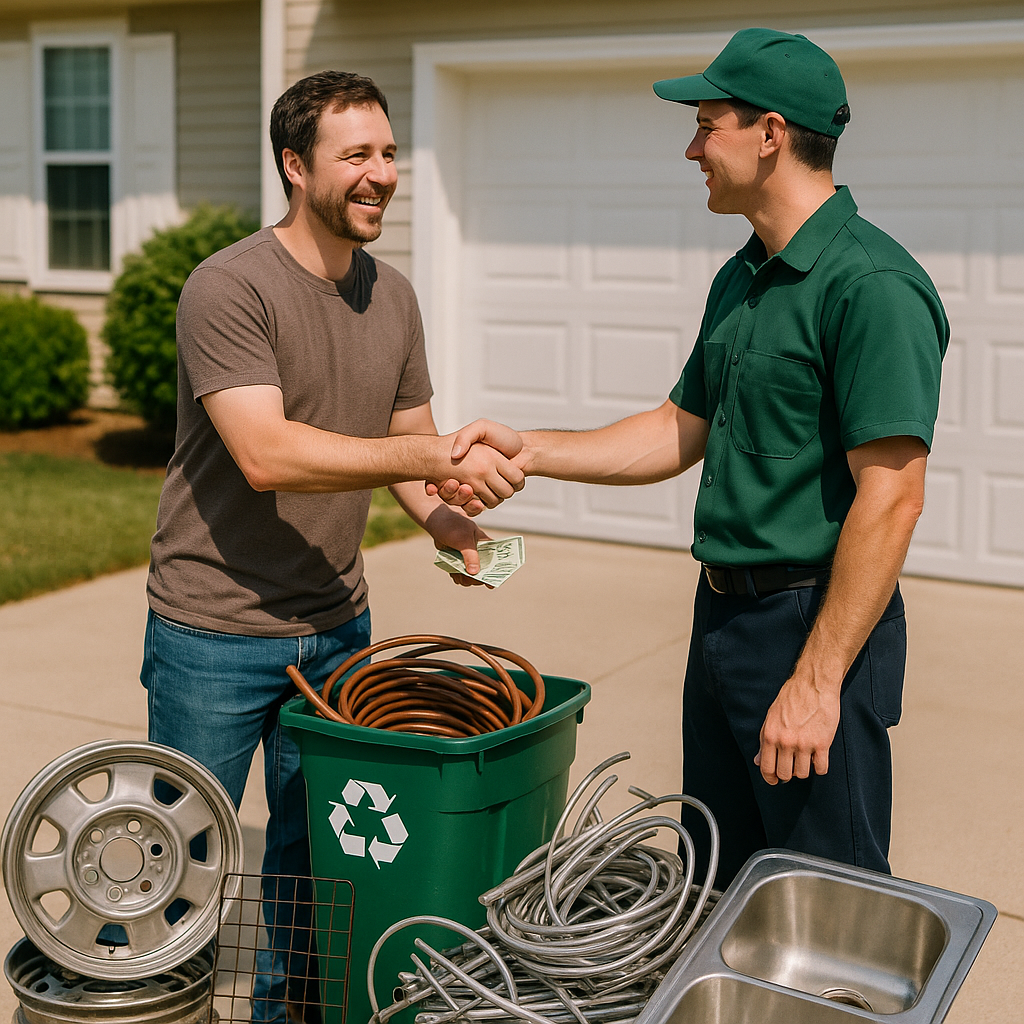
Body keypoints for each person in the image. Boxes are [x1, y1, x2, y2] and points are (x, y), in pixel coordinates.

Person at [435, 28, 948, 889]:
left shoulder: (872, 288)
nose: (692, 147)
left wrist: (817, 684)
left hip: (810, 625)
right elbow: (679, 427)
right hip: (724, 626)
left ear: (771, 133)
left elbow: (891, 497)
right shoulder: (745, 277)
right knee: (720, 887)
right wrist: (532, 450)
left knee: (827, 903)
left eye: (709, 125)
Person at [141, 71, 522, 1023]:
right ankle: (132, 1002)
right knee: (174, 861)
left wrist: (443, 517)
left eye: (389, 153)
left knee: (314, 870)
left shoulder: (391, 296)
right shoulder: (228, 288)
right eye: (357, 155)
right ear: (294, 165)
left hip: (336, 630)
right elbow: (268, 454)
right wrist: (426, 454)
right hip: (215, 632)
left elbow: (403, 440)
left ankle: (284, 1015)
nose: (382, 174)